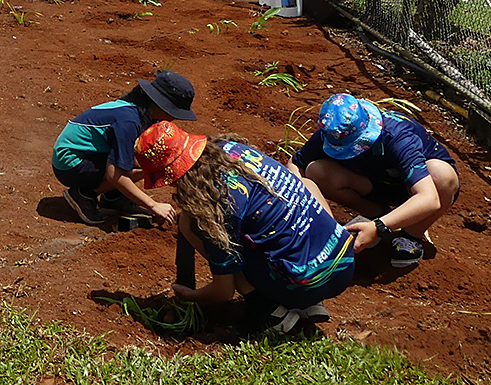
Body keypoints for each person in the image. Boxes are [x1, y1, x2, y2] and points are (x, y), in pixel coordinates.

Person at [136, 121, 356, 336]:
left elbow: (223, 291)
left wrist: (190, 295)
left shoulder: (214, 205)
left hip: (306, 284)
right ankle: (311, 303)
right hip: (342, 262)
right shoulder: (232, 150)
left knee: (194, 229)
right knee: (303, 190)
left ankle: (272, 314)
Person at [288, 93, 460, 269]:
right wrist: (315, 213)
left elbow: (429, 198)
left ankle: (410, 235)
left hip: (417, 187)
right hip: (376, 183)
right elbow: (296, 165)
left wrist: (379, 227)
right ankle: (374, 214)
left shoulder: (397, 137)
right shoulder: (333, 132)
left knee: (442, 177)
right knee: (316, 171)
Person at [52, 70, 197, 227]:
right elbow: (114, 174)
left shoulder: (138, 111)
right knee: (142, 166)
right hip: (70, 163)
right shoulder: (129, 121)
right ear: (160, 104)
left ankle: (114, 197)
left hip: (89, 154)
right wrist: (153, 205)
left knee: (149, 161)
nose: (175, 117)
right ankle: (84, 194)